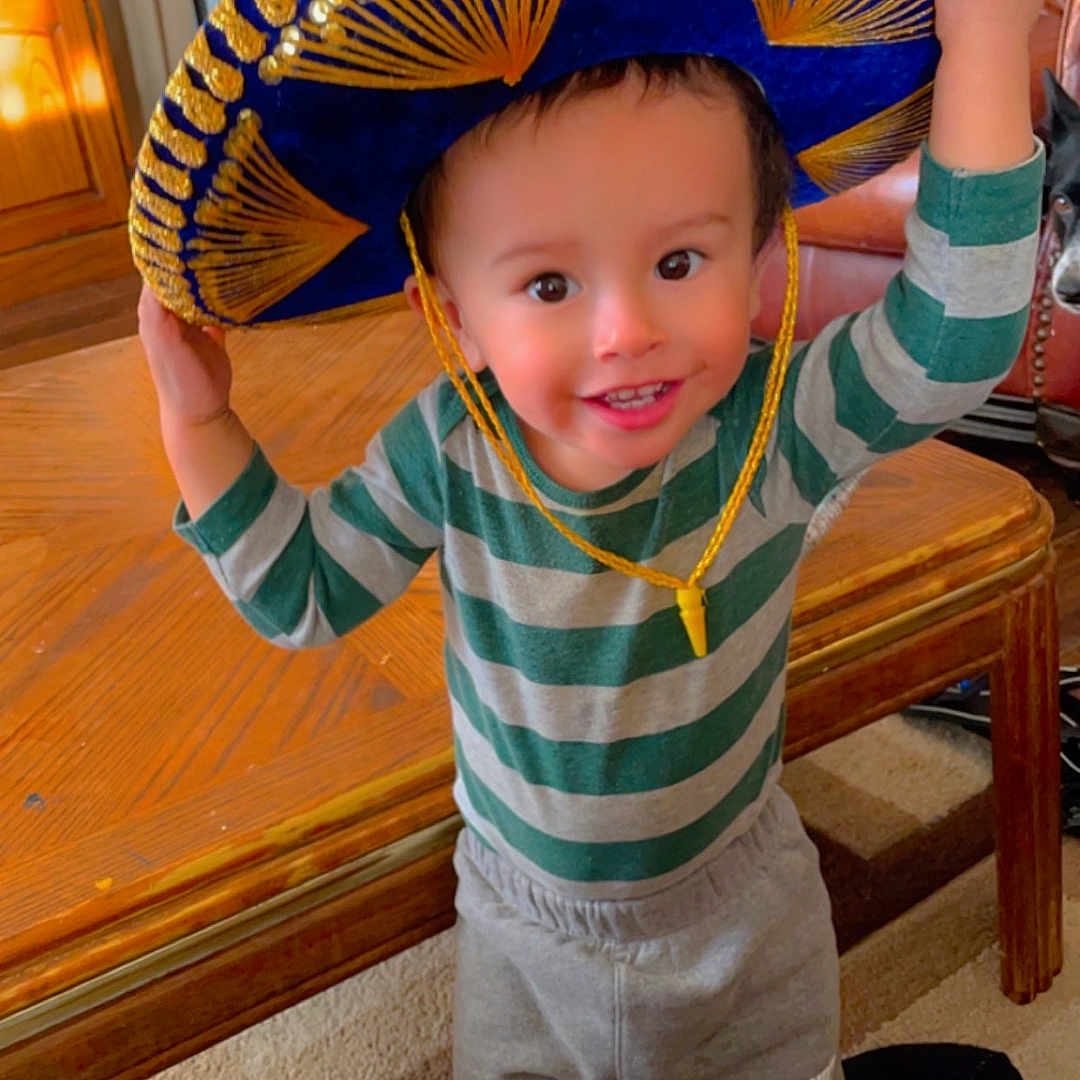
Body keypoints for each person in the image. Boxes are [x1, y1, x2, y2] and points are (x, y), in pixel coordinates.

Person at [135, 1, 1044, 1075]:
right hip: (526, 934)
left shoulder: (776, 429)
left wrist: (986, 38)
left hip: (740, 913)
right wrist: (198, 422)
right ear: (456, 316)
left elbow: (952, 339)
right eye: (550, 285)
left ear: (758, 263)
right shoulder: (453, 447)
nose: (625, 332)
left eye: (678, 264)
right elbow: (305, 593)